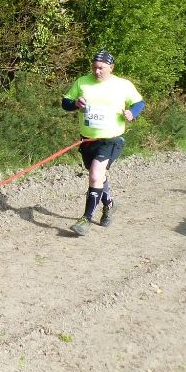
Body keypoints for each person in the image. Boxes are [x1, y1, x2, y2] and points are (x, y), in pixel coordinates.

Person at [62, 50, 145, 235]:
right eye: (94, 67)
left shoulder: (123, 85)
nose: (97, 71)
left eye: (101, 68)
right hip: (87, 139)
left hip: (111, 139)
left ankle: (86, 219)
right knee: (98, 177)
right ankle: (109, 205)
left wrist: (133, 113)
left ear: (111, 68)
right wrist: (75, 103)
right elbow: (65, 102)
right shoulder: (82, 82)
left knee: (95, 173)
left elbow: (139, 103)